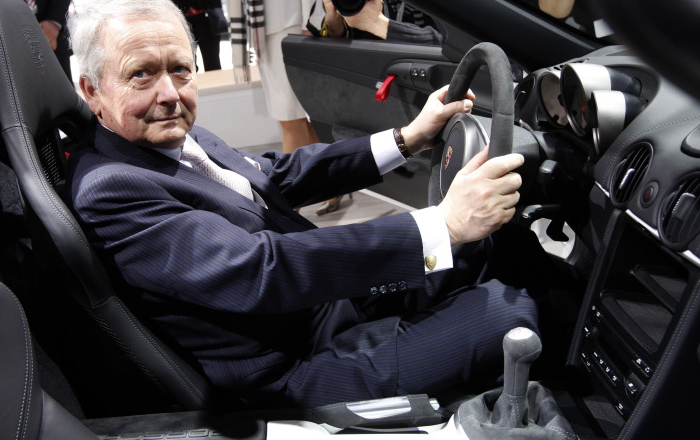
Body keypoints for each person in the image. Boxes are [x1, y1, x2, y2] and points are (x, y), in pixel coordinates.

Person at [66, 0, 538, 409]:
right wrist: (445, 225)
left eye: (179, 69)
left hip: (322, 307)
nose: (169, 94)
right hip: (291, 368)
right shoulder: (112, 189)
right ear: (92, 91)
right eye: (141, 74)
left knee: (500, 249)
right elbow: (259, 270)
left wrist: (408, 137)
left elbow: (273, 177)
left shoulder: (174, 137)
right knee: (511, 315)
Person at [227, 0, 346, 215]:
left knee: (290, 117)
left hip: (290, 23)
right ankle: (335, 181)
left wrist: (310, 20)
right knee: (297, 116)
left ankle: (290, 198)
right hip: (262, 29)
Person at [312, 0, 443, 45]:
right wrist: (333, 21)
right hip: (355, 86)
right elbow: (312, 49)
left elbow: (455, 45)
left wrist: (377, 23)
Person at [172, 0, 225, 71]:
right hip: (181, 19)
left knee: (212, 60)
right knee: (186, 61)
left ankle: (216, 80)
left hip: (206, 17)